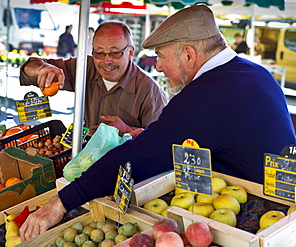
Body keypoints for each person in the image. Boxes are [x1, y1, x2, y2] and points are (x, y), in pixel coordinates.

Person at [19, 5, 296, 241]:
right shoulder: (256, 74)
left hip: (257, 225)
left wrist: (61, 203)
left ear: (188, 54)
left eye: (162, 57)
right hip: (275, 213)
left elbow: (139, 156)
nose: (158, 67)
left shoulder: (205, 97)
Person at [20, 21, 168, 136]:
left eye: (115, 52)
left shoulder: (149, 91)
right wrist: (42, 69)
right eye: (99, 52)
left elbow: (159, 141)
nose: (106, 61)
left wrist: (126, 131)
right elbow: (27, 70)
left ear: (130, 53)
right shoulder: (85, 67)